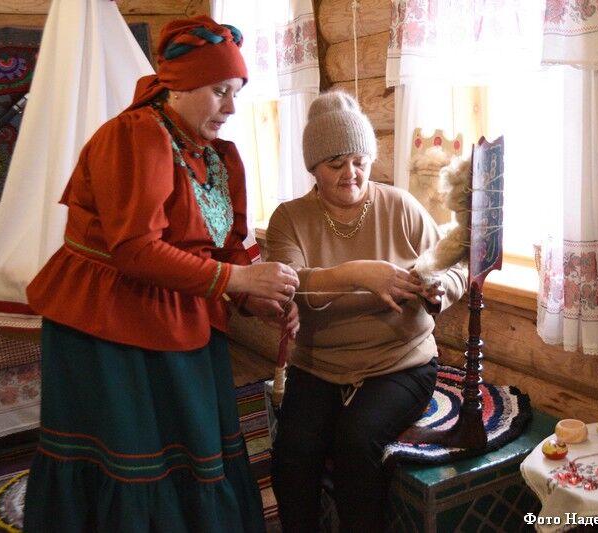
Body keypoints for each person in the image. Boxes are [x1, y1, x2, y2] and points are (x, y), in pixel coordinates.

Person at [23, 15, 299, 532]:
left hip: (180, 314)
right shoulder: (136, 137)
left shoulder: (216, 157)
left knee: (193, 443)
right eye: (219, 91)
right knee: (135, 454)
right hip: (108, 325)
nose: (231, 107)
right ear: (181, 86)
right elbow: (136, 250)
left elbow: (224, 244)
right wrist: (236, 283)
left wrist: (254, 298)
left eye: (236, 93)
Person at [266, 91, 467, 532]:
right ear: (313, 167)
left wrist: (440, 290)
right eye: (336, 164)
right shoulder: (290, 218)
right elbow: (290, 283)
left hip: (400, 363)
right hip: (318, 364)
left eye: (360, 161)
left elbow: (455, 263)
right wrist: (358, 274)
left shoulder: (400, 205)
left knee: (356, 443)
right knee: (293, 454)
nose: (351, 174)